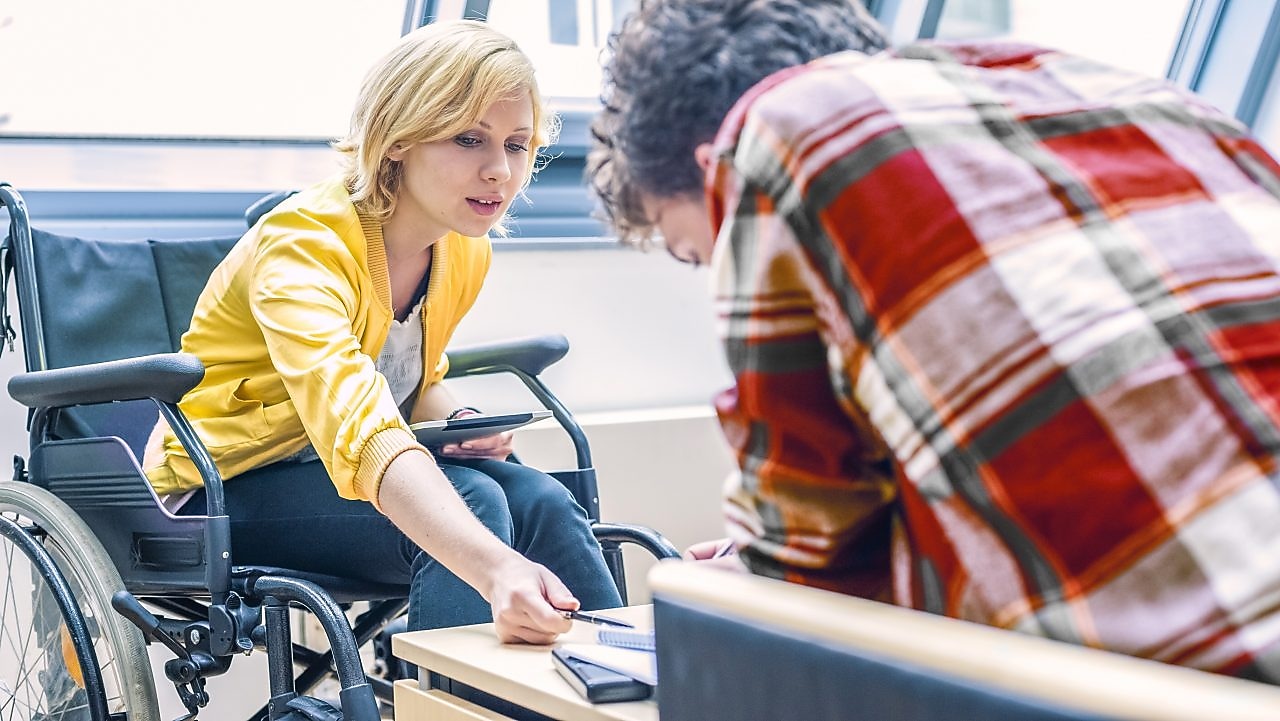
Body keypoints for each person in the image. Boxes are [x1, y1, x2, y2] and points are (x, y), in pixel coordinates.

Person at [588, 0, 1280, 681]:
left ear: (713, 170)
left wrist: (740, 575)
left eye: (699, 255)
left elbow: (802, 582)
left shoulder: (775, 139)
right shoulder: (1149, 100)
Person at [142, 19, 622, 644]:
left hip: (335, 477)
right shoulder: (303, 245)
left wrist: (462, 422)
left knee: (542, 500)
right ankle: (450, 694)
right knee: (474, 506)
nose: (500, 171)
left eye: (517, 144)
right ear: (398, 139)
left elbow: (416, 379)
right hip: (218, 491)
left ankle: (628, 678)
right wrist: (496, 569)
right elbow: (358, 423)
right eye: (469, 139)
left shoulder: (462, 250)